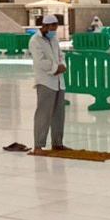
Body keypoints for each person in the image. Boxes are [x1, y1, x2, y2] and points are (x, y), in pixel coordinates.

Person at [29, 14, 68, 155]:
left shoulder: (53, 39)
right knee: (43, 114)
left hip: (58, 82)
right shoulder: (35, 41)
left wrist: (62, 65)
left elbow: (61, 55)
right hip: (45, 82)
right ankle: (38, 146)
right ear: (44, 26)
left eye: (55, 27)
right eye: (52, 27)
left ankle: (57, 143)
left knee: (59, 114)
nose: (54, 30)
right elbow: (41, 61)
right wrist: (55, 68)